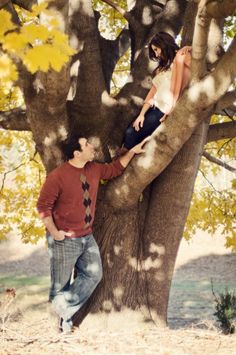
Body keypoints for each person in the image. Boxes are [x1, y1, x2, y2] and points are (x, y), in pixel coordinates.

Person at [37, 135, 148, 333]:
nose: (92, 146)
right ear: (77, 153)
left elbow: (115, 169)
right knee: (60, 286)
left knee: (93, 275)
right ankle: (57, 329)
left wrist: (132, 151)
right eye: (86, 145)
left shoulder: (94, 169)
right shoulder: (58, 176)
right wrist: (55, 233)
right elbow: (43, 206)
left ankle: (58, 310)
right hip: (64, 239)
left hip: (86, 237)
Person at [123, 32, 191, 149]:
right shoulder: (162, 68)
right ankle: (120, 162)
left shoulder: (182, 56)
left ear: (163, 43)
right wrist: (142, 115)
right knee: (130, 134)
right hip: (153, 109)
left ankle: (119, 162)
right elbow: (152, 93)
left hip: (164, 110)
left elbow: (199, 67)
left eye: (156, 49)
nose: (156, 54)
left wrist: (190, 48)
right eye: (154, 51)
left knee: (132, 136)